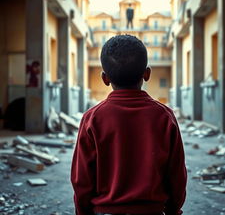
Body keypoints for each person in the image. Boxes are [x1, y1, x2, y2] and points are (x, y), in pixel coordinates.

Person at [71, 35, 187, 215]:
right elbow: (177, 176)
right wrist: (173, 210)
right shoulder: (165, 117)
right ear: (147, 74)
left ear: (105, 78)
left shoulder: (92, 119)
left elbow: (82, 181)